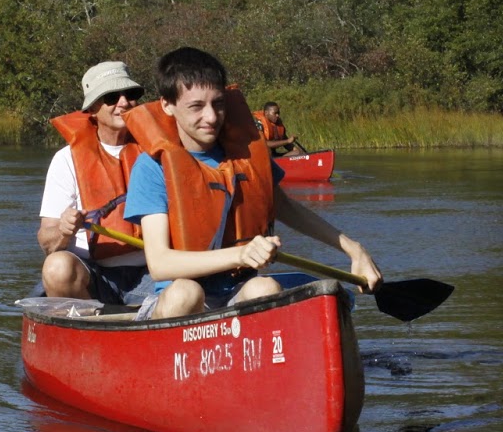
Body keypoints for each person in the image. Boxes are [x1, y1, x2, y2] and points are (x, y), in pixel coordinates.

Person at [122, 47, 382, 319]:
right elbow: (161, 264)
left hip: (235, 291)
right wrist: (240, 255)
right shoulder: (152, 167)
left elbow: (286, 208)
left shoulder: (246, 156)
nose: (211, 117)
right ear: (167, 105)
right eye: (196, 106)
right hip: (177, 298)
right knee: (187, 293)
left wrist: (354, 249)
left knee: (265, 287)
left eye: (218, 103)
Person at [37, 61, 149, 303]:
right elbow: (47, 242)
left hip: (153, 273)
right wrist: (63, 230)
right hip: (94, 275)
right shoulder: (65, 159)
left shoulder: (157, 150)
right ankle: (89, 327)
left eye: (130, 94)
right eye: (111, 97)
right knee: (57, 267)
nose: (123, 102)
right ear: (93, 108)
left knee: (188, 287)